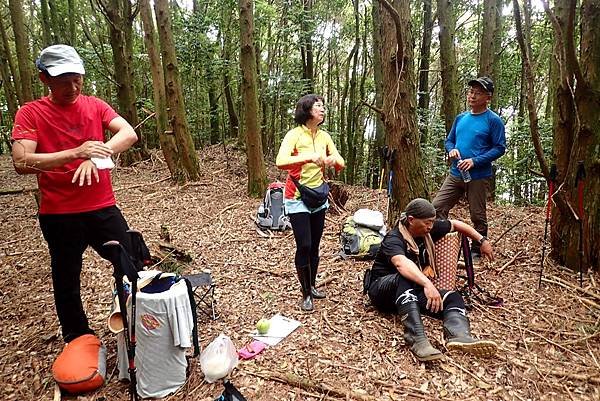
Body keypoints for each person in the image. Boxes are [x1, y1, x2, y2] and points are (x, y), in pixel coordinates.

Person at [11, 44, 138, 343]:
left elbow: (128, 133)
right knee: (66, 280)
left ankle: (133, 316)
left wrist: (92, 157)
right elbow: (21, 162)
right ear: (45, 79)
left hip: (102, 207)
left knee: (131, 261)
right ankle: (78, 338)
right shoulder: (30, 113)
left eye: (77, 78)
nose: (72, 86)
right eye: (63, 79)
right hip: (59, 214)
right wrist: (75, 153)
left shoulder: (95, 105)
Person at [365, 198, 498, 362]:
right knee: (403, 278)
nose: (430, 227)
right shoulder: (394, 238)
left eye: (432, 223)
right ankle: (418, 340)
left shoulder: (428, 230)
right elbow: (401, 263)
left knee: (452, 297)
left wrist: (482, 240)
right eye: (427, 223)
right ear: (411, 220)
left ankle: (459, 336)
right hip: (383, 291)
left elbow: (456, 224)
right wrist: (427, 284)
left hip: (410, 295)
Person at [276, 94, 345, 311]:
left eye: (323, 107)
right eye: (318, 106)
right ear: (307, 110)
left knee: (315, 245)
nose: (323, 110)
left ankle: (313, 285)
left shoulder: (324, 136)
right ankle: (305, 293)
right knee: (304, 244)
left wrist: (334, 160)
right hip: (296, 196)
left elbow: (341, 162)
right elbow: (281, 162)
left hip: (318, 196)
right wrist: (308, 157)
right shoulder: (294, 135)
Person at [432, 77, 506, 260]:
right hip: (456, 174)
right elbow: (449, 141)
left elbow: (500, 148)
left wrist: (475, 161)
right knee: (437, 206)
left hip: (478, 176)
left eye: (477, 93)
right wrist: (452, 150)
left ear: (487, 97)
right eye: (471, 91)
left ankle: (477, 248)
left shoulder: (493, 121)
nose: (472, 96)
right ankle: (443, 239)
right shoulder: (461, 118)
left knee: (477, 215)